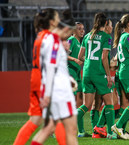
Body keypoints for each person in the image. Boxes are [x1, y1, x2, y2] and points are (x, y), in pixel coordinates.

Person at [13, 8, 66, 145]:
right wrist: (48, 93)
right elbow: (50, 66)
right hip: (45, 81)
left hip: (36, 79)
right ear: (52, 22)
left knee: (36, 120)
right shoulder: (52, 38)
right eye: (57, 17)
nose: (59, 20)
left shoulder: (40, 36)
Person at [31, 10, 78, 145]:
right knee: (71, 131)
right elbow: (51, 67)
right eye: (57, 18)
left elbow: (51, 67)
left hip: (52, 87)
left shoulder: (44, 38)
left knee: (48, 128)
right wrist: (46, 95)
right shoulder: (53, 41)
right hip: (60, 92)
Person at [77, 12, 116, 139]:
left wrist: (89, 62)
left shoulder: (88, 36)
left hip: (87, 72)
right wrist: (108, 75)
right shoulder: (106, 37)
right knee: (109, 102)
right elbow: (104, 57)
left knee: (87, 105)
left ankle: (66, 123)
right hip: (99, 73)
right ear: (105, 23)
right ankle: (110, 133)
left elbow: (80, 56)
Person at [67, 22, 85, 108]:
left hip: (77, 72)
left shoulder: (79, 43)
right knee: (72, 98)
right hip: (70, 71)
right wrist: (74, 59)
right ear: (73, 30)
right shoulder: (71, 40)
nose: (82, 31)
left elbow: (81, 57)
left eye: (83, 29)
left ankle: (77, 118)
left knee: (81, 96)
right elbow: (64, 54)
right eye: (79, 29)